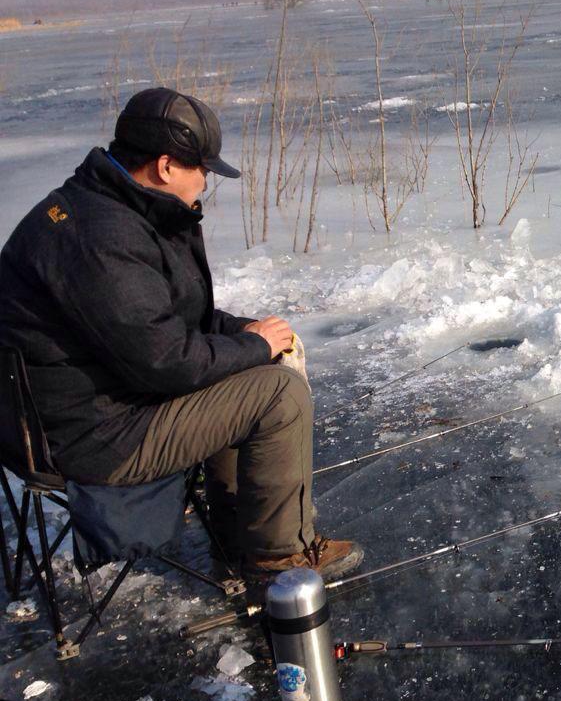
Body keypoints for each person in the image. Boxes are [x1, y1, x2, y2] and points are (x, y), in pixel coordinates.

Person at [0, 88, 363, 581]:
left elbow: (168, 320)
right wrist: (255, 347)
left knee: (249, 365)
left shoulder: (108, 207)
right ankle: (278, 557)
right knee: (278, 394)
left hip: (77, 412)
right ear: (166, 166)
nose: (206, 184)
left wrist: (242, 333)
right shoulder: (105, 238)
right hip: (91, 438)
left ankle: (242, 535)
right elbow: (168, 362)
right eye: (203, 171)